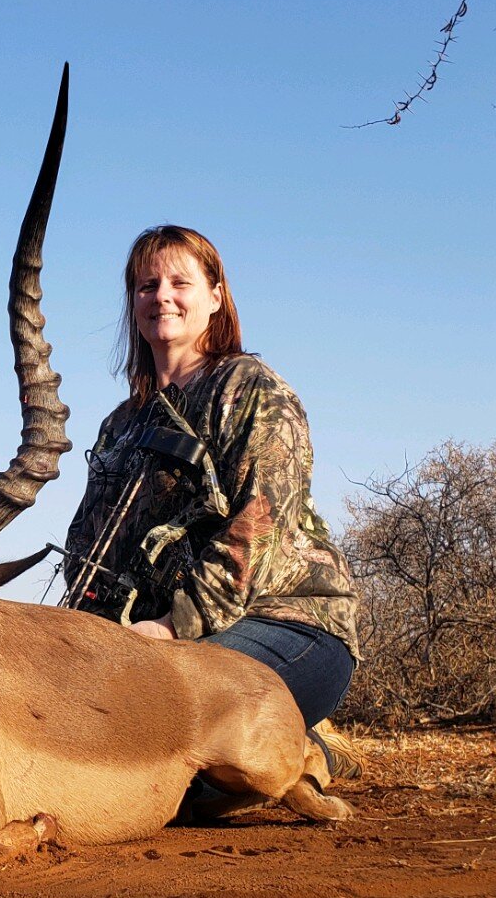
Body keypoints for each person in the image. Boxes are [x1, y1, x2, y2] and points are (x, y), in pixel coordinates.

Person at [61, 225, 361, 801]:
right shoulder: (120, 425)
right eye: (147, 285)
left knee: (159, 784)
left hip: (288, 623)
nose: (162, 296)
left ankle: (308, 749)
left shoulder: (251, 389)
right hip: (156, 651)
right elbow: (90, 549)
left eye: (180, 281)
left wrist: (169, 629)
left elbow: (257, 529)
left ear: (216, 296)